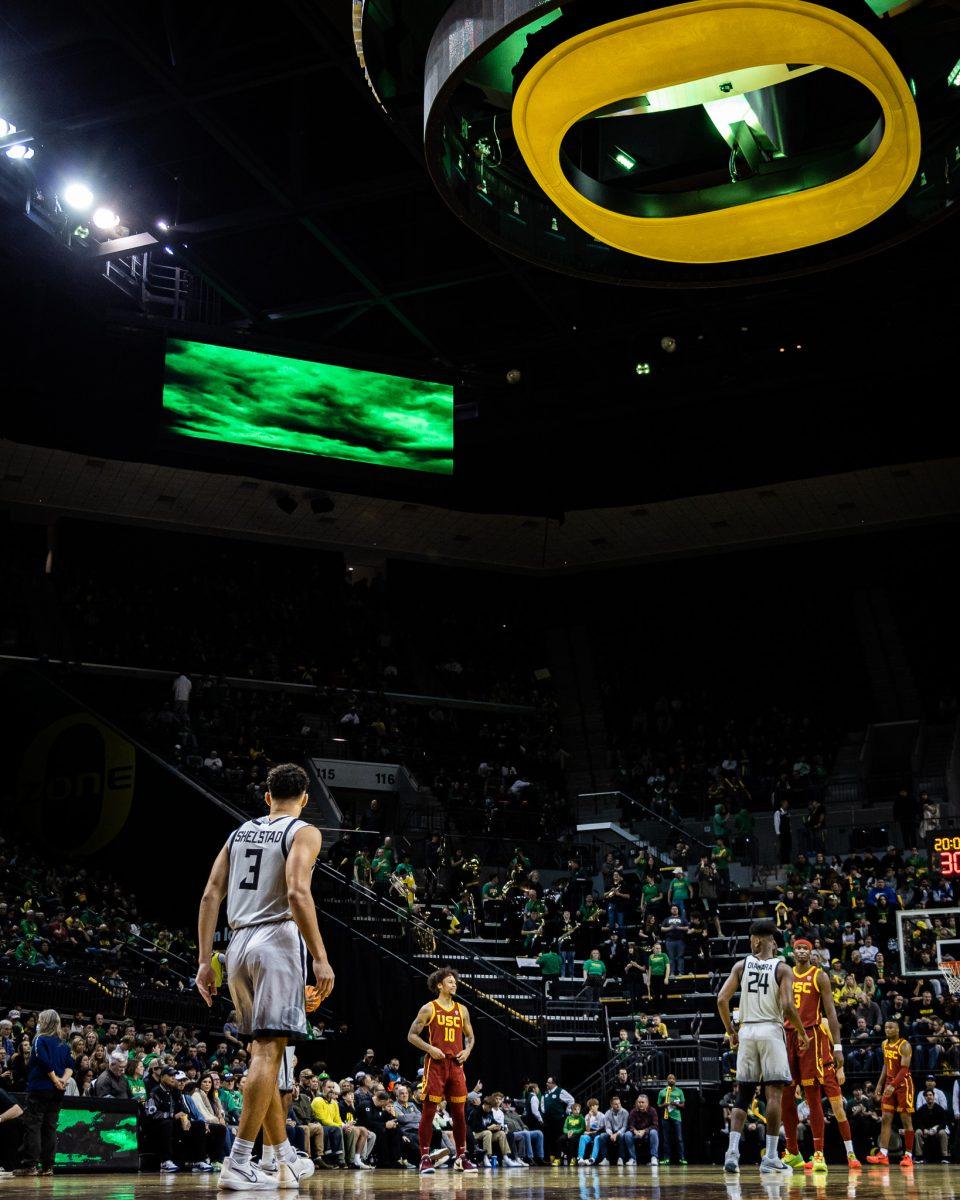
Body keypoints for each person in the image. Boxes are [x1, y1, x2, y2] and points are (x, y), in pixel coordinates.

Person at [195, 762, 335, 1190]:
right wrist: (320, 956)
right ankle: (238, 1160)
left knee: (265, 1053)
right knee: (269, 1051)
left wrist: (204, 961)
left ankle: (281, 1159)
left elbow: (210, 894)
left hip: (235, 944)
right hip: (275, 940)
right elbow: (296, 892)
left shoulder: (238, 833)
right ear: (306, 798)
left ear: (266, 796)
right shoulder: (304, 831)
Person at [717, 919, 807, 1175]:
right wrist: (802, 1032)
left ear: (756, 940)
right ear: (771, 941)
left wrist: (731, 1032)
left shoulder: (741, 965)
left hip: (746, 1031)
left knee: (743, 1094)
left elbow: (722, 999)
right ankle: (770, 1157)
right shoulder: (783, 968)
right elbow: (789, 1007)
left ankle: (731, 1153)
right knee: (774, 1094)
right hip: (770, 1029)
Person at [780, 937, 858, 1173]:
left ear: (811, 953)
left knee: (812, 1095)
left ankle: (819, 1153)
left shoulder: (819, 975)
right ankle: (793, 1152)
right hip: (787, 1035)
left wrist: (838, 1047)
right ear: (793, 952)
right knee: (786, 1094)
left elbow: (831, 1012)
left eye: (806, 948)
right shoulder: (784, 974)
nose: (802, 951)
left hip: (811, 1036)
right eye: (798, 948)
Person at [407, 967, 478, 1174]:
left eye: (455, 981)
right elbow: (412, 1035)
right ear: (439, 985)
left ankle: (461, 1157)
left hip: (456, 1065)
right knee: (428, 1112)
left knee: (459, 1114)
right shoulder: (429, 1008)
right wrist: (430, 1048)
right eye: (450, 981)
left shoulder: (462, 1009)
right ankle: (425, 1158)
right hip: (436, 1065)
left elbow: (471, 1037)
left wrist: (468, 1051)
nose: (454, 984)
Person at [17, 1009, 73, 1177]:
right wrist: (63, 1080)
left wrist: (55, 1079)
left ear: (45, 1022)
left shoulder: (39, 1039)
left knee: (33, 1126)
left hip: (41, 1088)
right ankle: (48, 1166)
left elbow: (43, 1060)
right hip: (57, 1091)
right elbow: (71, 1064)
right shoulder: (63, 1043)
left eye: (40, 1020)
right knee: (50, 1127)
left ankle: (30, 1165)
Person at [866, 1019, 915, 1166]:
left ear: (898, 1029)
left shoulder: (904, 1045)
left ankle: (908, 1155)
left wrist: (893, 1085)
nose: (887, 1030)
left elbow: (904, 1069)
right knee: (886, 1118)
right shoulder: (884, 1044)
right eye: (886, 1027)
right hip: (889, 1083)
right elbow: (886, 1065)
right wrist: (880, 1084)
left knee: (906, 1120)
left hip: (903, 1084)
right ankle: (883, 1154)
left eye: (891, 1027)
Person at [913, 1088, 951, 1164]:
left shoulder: (940, 1109)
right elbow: (918, 1123)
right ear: (925, 1098)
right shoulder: (921, 1109)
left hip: (936, 1130)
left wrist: (936, 1129)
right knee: (917, 1132)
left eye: (930, 1095)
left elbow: (943, 1123)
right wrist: (924, 1130)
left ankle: (945, 1157)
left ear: (934, 1096)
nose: (929, 1097)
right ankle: (919, 1157)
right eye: (926, 1095)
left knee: (943, 1133)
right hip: (926, 1130)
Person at [656, 1074, 686, 1165]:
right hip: (665, 1117)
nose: (671, 1080)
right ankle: (666, 1158)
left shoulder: (679, 1091)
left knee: (679, 1138)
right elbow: (658, 1105)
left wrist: (675, 1104)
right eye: (669, 1078)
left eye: (673, 1079)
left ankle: (681, 1158)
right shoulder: (662, 1092)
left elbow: (683, 1105)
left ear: (675, 1081)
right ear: (667, 1080)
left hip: (676, 1117)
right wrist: (664, 1104)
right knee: (666, 1139)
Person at [627, 1094, 659, 1166]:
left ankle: (654, 1157)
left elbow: (655, 1125)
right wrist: (635, 1131)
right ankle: (633, 1159)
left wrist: (644, 1131)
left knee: (654, 1132)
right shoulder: (633, 1111)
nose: (640, 1104)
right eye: (639, 1102)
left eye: (642, 1102)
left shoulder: (652, 1110)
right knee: (627, 1134)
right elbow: (630, 1125)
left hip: (648, 1134)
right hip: (636, 1134)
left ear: (647, 1103)